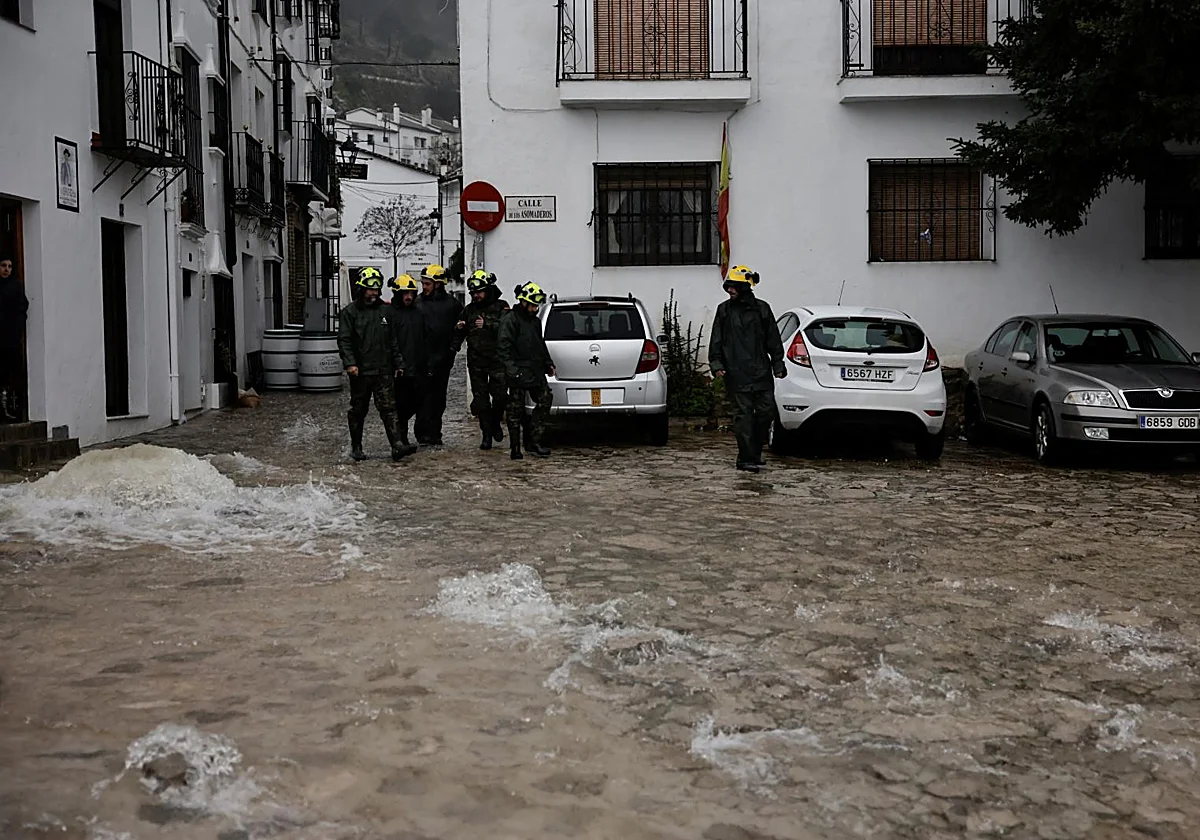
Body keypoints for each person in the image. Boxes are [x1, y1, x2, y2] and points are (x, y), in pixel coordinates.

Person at [707, 265, 786, 473]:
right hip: (736, 373)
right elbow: (716, 340)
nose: (730, 290)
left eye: (733, 286)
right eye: (728, 287)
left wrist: (778, 364)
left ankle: (755, 452)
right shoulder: (724, 310)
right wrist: (716, 365)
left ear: (744, 287)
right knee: (743, 417)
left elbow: (773, 340)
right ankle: (745, 458)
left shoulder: (762, 309)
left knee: (765, 413)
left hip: (761, 373)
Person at [337, 267, 413, 462]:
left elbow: (393, 340)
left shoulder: (385, 311)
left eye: (377, 290)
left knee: (389, 408)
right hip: (360, 371)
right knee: (358, 409)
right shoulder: (350, 313)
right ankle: (356, 446)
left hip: (383, 369)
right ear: (362, 289)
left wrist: (399, 363)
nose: (374, 293)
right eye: (371, 290)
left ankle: (396, 445)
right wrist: (350, 363)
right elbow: (344, 340)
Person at [498, 281, 555, 461]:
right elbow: (503, 348)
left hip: (535, 371)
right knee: (515, 411)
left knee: (545, 399)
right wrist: (512, 370)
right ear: (523, 302)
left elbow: (540, 344)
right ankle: (515, 448)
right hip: (517, 372)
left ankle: (534, 441)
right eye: (532, 305)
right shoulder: (510, 320)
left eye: (536, 305)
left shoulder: (536, 322)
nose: (535, 309)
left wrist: (548, 363)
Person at [454, 269, 510, 450]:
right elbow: (459, 333)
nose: (476, 296)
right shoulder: (469, 310)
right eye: (473, 293)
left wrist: (488, 325)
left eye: (479, 292)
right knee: (481, 400)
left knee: (500, 397)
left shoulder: (502, 306)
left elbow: (507, 328)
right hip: (476, 361)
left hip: (497, 360)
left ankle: (495, 422)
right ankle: (486, 434)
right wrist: (458, 330)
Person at [414, 263, 464, 446]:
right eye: (423, 283)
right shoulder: (417, 303)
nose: (424, 287)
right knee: (421, 396)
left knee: (438, 397)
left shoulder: (452, 305)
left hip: (443, 359)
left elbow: (462, 327)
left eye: (427, 284)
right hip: (421, 359)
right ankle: (422, 433)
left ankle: (435, 433)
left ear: (438, 284)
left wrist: (453, 348)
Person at [388, 273, 426, 449]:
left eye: (411, 293)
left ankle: (404, 437)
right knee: (400, 406)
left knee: (414, 404)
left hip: (417, 367)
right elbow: (391, 341)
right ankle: (400, 439)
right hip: (400, 369)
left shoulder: (418, 314)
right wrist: (398, 363)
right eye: (405, 293)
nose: (409, 297)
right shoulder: (391, 315)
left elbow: (424, 338)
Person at [0, 255, 29, 423]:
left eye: (10, 266)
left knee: (13, 374)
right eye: (3, 265)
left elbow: (22, 307)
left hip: (10, 339)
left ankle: (13, 410)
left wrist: (16, 327)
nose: (7, 269)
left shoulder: (15, 287)